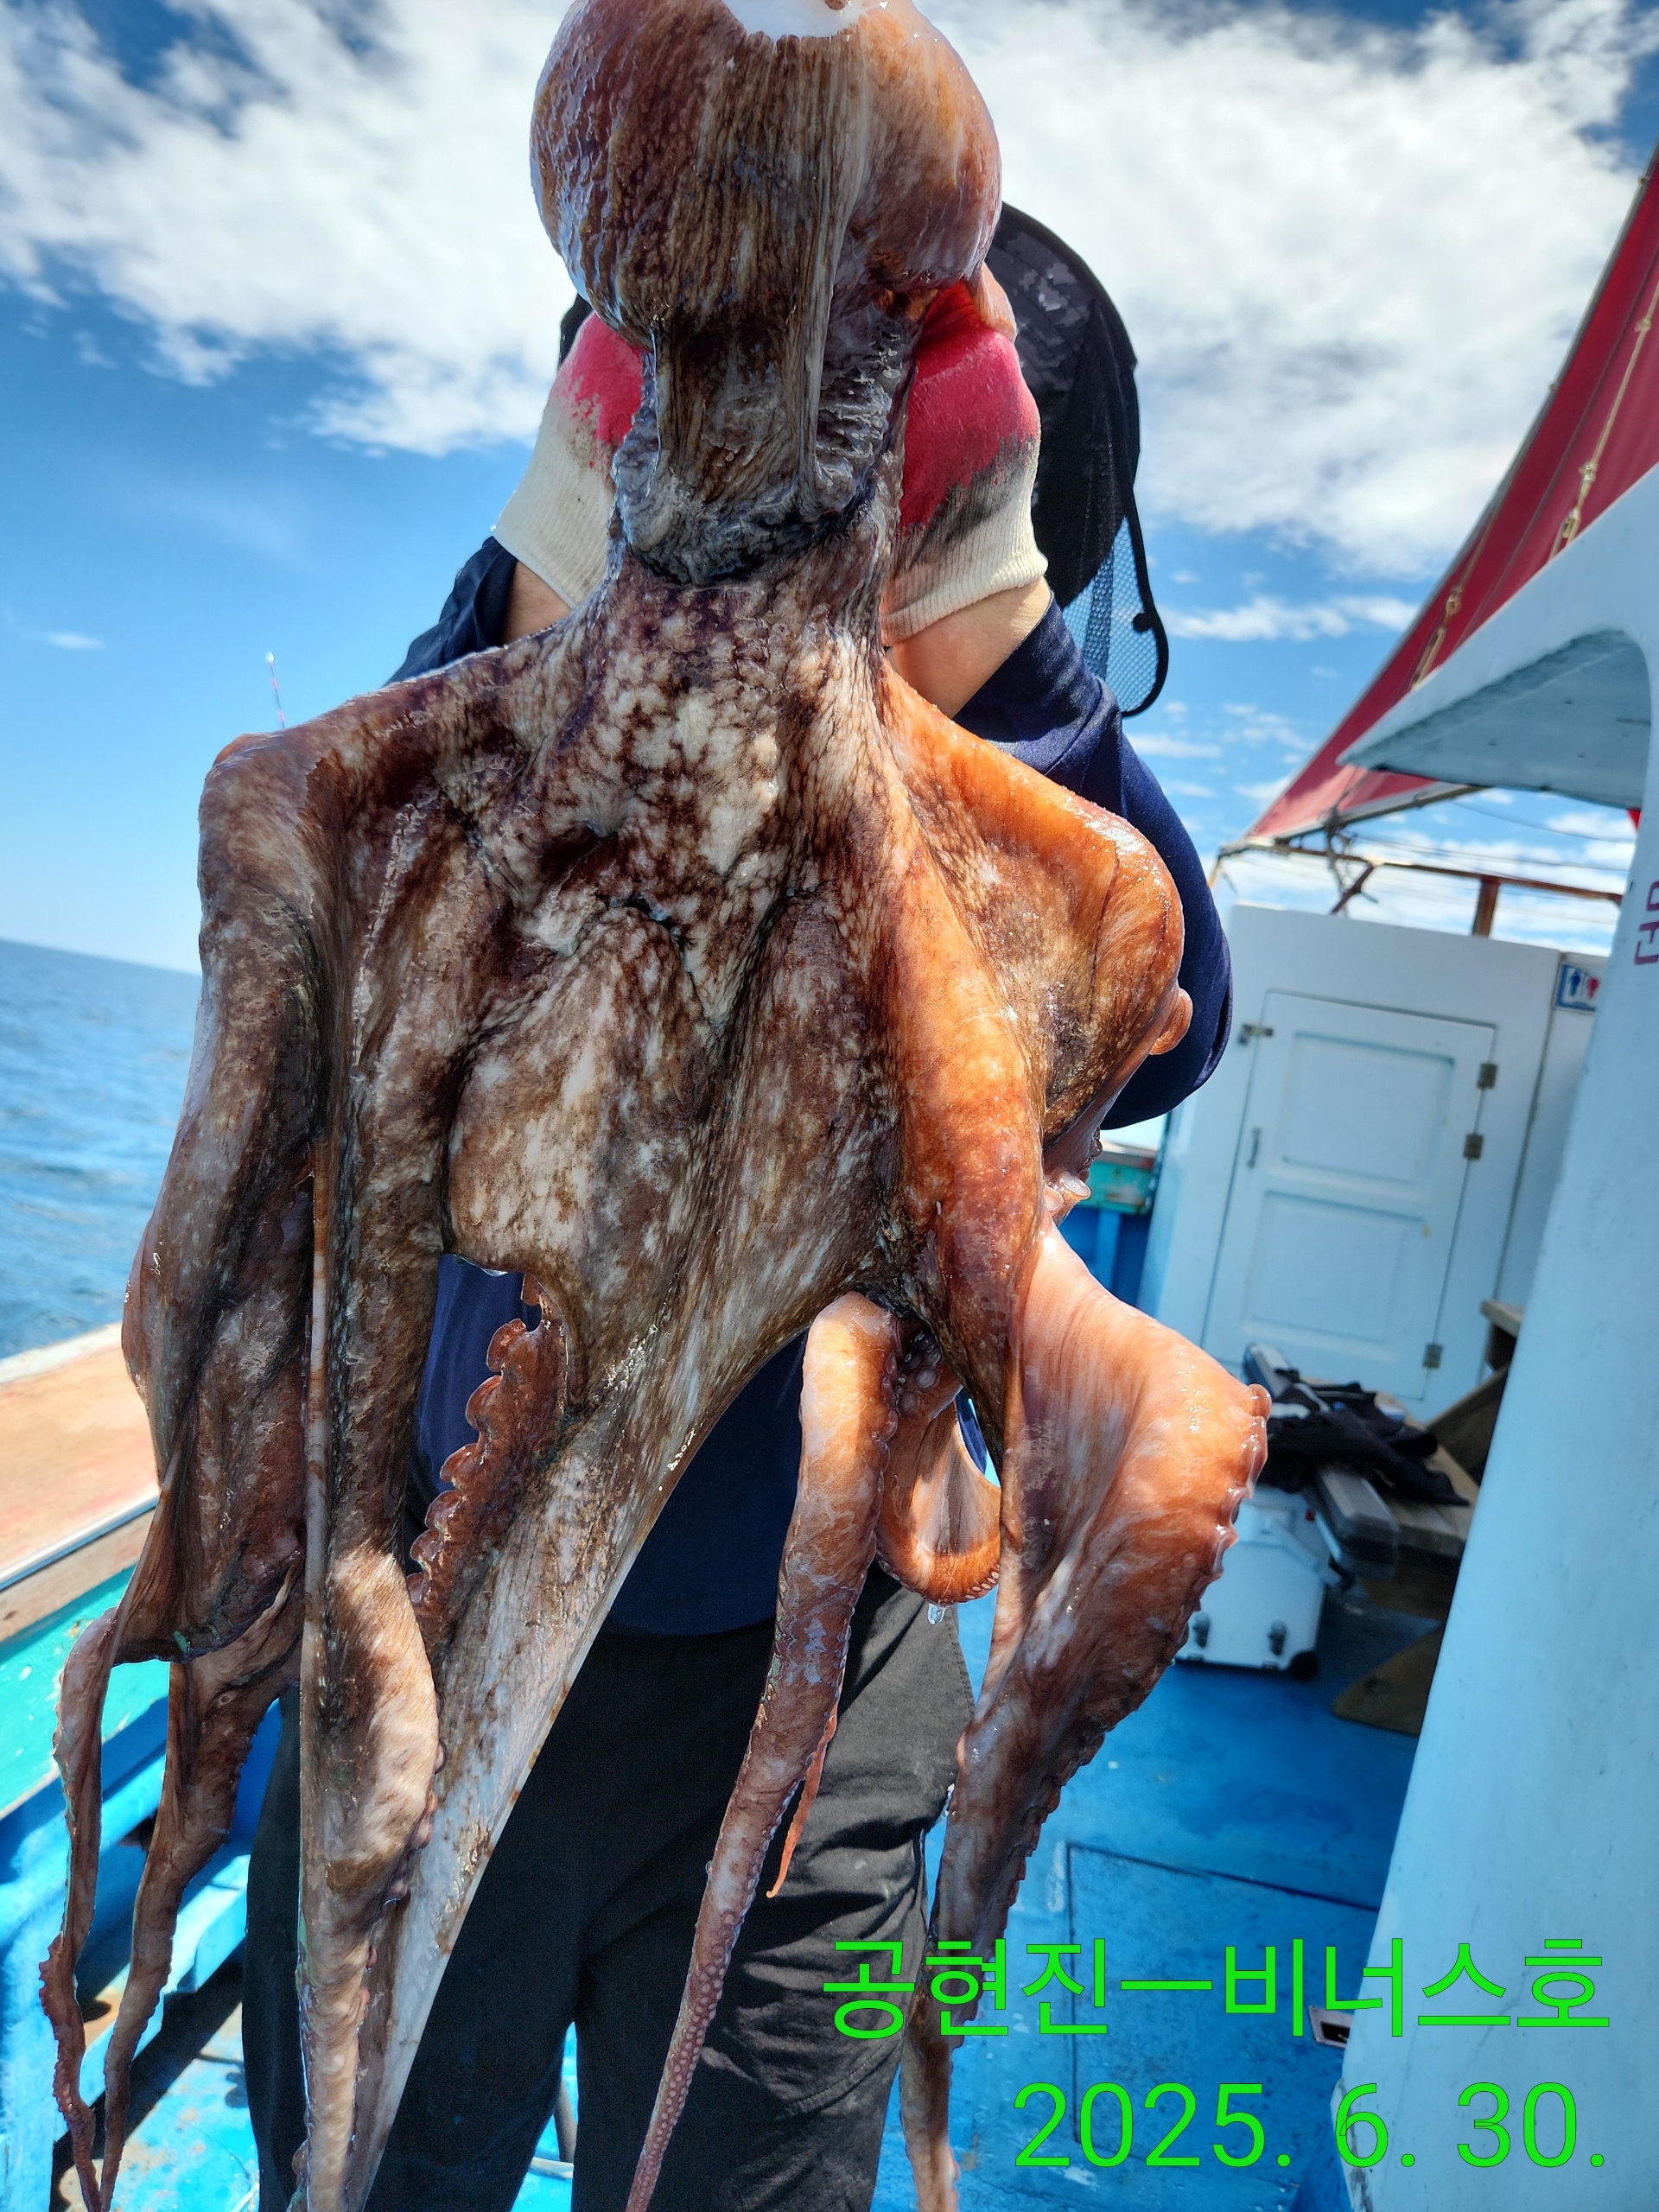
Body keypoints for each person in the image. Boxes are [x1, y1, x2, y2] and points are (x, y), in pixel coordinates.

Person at [245, 245, 1231, 2212]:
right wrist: (571, 504)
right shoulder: (539, 775)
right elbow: (369, 833)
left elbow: (1173, 1002)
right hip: (442, 1620)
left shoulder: (989, 864)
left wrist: (987, 606)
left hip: (824, 1692)